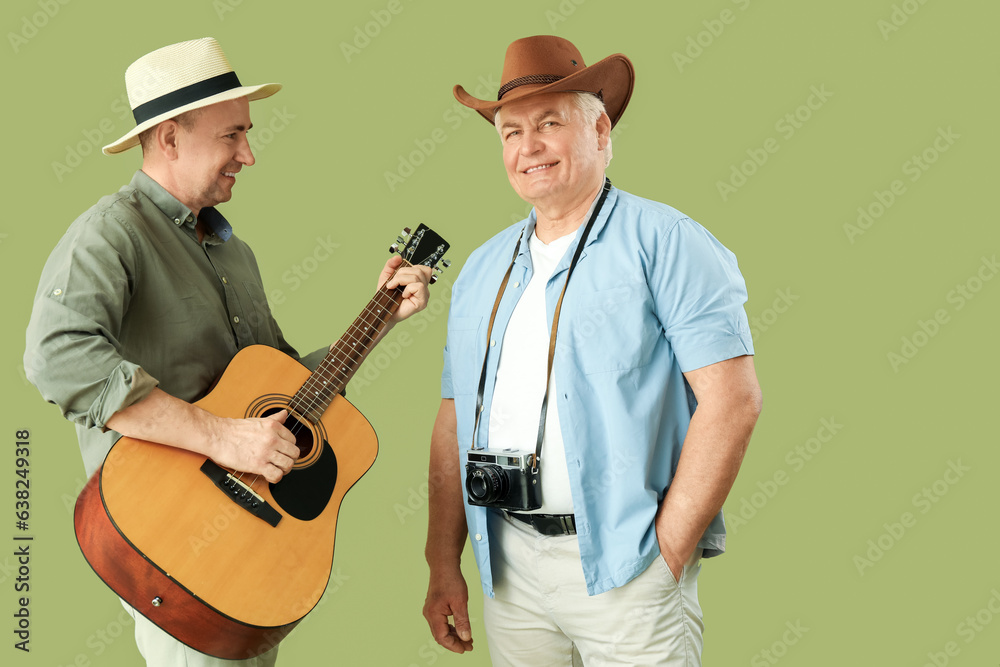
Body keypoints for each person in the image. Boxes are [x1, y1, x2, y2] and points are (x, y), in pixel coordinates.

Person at [24, 37, 430, 667]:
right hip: (170, 543)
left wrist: (381, 319)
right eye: (232, 136)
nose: (250, 153)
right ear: (169, 138)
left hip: (251, 548)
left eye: (248, 134)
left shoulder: (233, 253)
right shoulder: (111, 232)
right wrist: (222, 438)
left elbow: (286, 388)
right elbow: (56, 356)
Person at [422, 35, 762, 666]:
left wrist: (667, 552)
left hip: (627, 564)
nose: (528, 148)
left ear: (600, 129)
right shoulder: (481, 268)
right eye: (510, 131)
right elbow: (453, 419)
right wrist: (444, 560)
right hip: (508, 567)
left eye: (549, 123)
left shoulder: (669, 243)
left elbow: (734, 401)